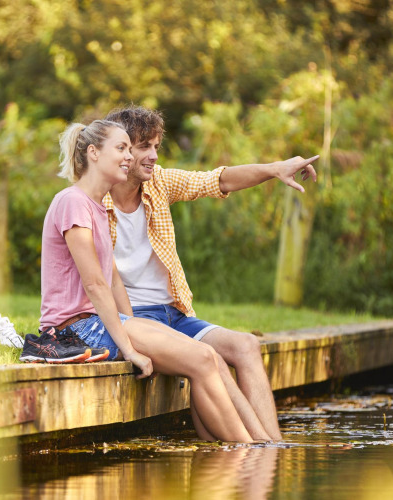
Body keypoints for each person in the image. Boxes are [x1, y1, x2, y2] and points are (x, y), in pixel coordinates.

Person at [22, 118, 254, 442]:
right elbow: (95, 285)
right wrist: (130, 348)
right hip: (76, 328)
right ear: (93, 153)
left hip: (101, 322)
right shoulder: (72, 202)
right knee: (201, 358)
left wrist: (136, 329)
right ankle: (253, 453)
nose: (129, 157)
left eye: (130, 150)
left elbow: (113, 278)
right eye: (121, 148)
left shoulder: (97, 207)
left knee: (206, 357)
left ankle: (238, 450)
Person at [103, 105, 319, 441]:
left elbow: (217, 179)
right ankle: (264, 450)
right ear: (120, 148)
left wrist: (276, 169)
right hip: (135, 319)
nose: (153, 156)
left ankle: (273, 444)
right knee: (212, 360)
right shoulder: (92, 200)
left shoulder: (158, 184)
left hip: (173, 313)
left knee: (246, 345)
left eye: (156, 147)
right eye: (144, 146)